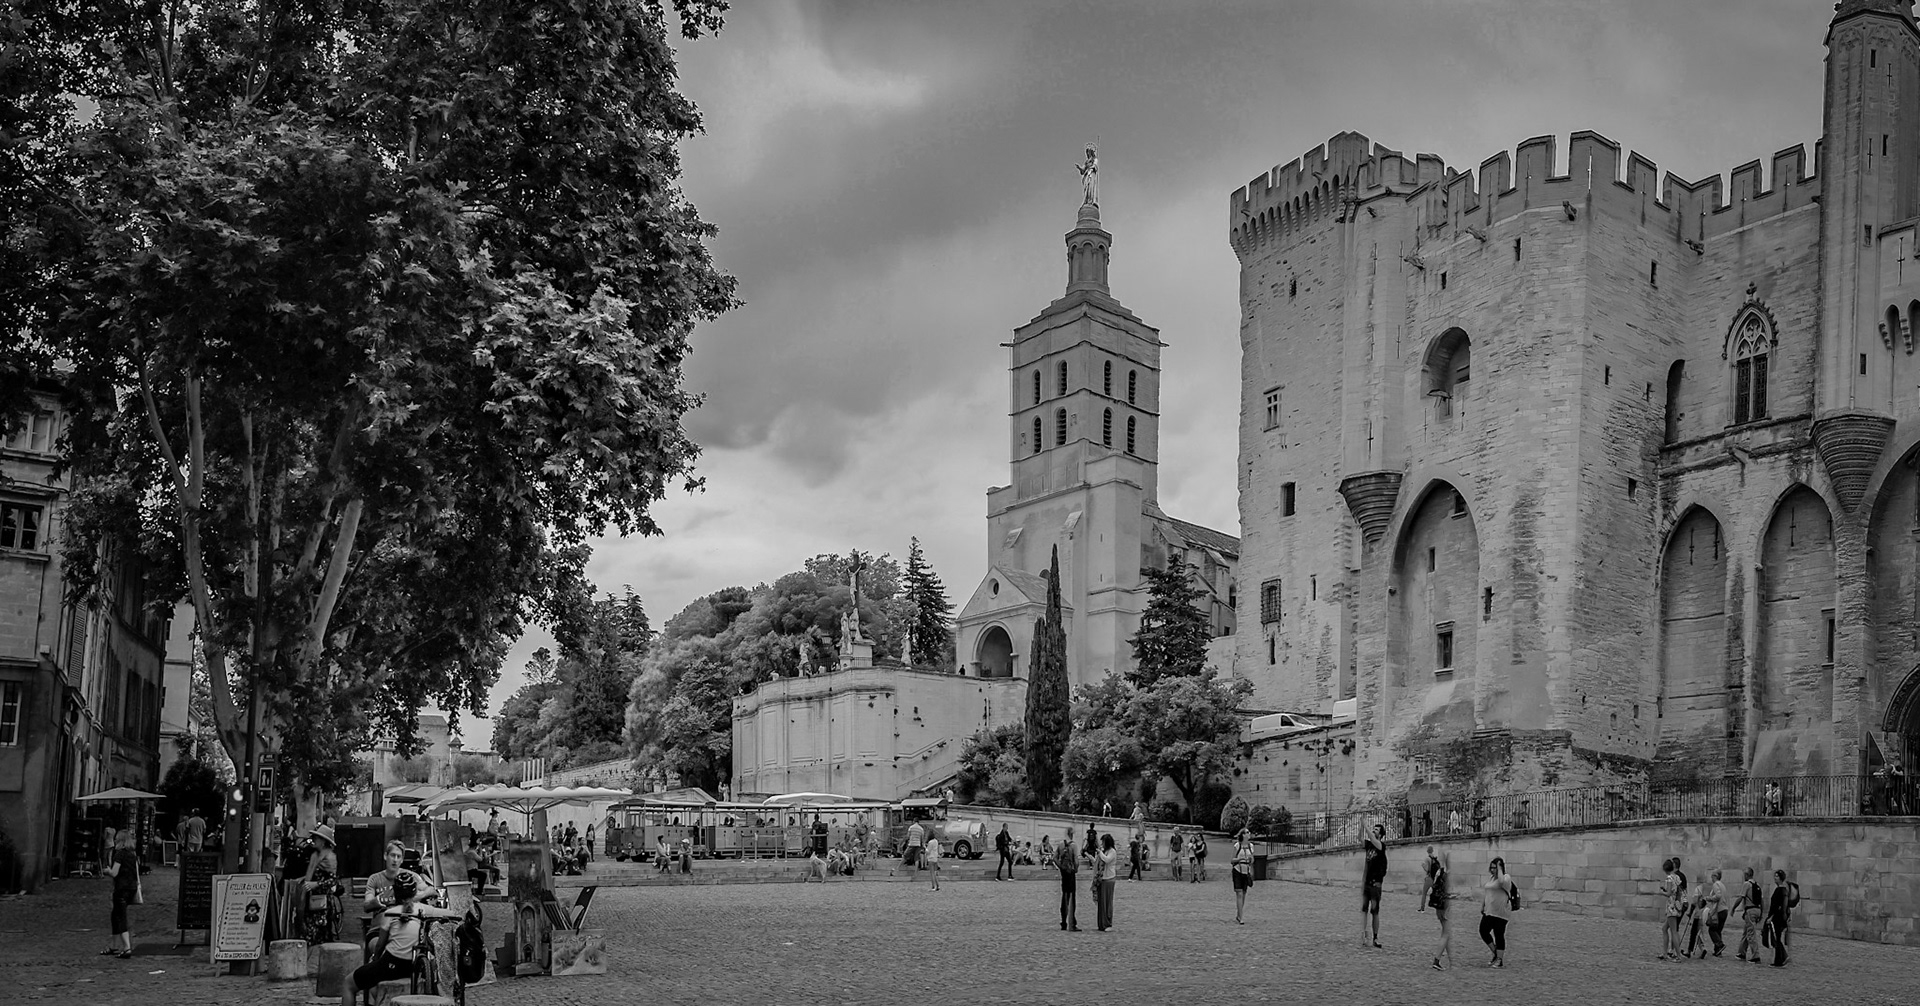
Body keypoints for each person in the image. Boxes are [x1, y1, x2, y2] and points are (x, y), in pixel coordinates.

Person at [352, 871, 464, 995]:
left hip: (391, 963)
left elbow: (380, 945)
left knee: (349, 984)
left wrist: (375, 958)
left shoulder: (390, 913)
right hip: (413, 965)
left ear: (395, 893)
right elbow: (451, 914)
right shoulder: (423, 909)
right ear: (414, 892)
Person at [100, 829, 139, 959]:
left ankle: (127, 947)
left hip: (121, 888)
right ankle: (114, 946)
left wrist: (106, 871)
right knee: (115, 915)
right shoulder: (132, 855)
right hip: (131, 887)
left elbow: (114, 872)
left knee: (120, 917)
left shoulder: (120, 854)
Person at [302, 824, 343, 944]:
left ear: (323, 841)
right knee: (310, 933)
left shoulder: (330, 858)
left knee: (317, 934)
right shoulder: (315, 855)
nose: (314, 840)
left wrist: (316, 884)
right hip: (311, 899)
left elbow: (332, 880)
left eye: (317, 838)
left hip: (322, 902)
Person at [1417, 846, 1451, 970]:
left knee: (1445, 931)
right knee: (1446, 933)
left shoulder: (1439, 871)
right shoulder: (1448, 873)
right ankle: (1437, 959)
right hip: (1445, 905)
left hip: (1438, 904)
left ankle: (1441, 956)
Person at [1480, 856, 1515, 967]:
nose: (1492, 870)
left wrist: (1500, 868)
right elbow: (1487, 893)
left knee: (1498, 934)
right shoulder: (1491, 879)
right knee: (1483, 931)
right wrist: (1483, 905)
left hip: (1501, 912)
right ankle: (1496, 952)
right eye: (1491, 867)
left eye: (1495, 868)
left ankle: (1499, 959)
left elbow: (1501, 882)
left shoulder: (1505, 878)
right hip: (1489, 911)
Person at [1360, 823, 1387, 948]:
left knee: (1375, 912)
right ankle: (1365, 935)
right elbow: (1360, 839)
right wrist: (1361, 826)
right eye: (1374, 829)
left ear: (1380, 834)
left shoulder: (1381, 846)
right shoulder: (1370, 845)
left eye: (1376, 830)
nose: (1374, 831)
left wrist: (1365, 826)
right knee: (1364, 910)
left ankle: (1375, 937)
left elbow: (1371, 838)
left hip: (1375, 885)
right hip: (1367, 883)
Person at [1733, 866, 1765, 962]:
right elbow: (1762, 901)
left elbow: (1741, 898)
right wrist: (1761, 913)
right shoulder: (1757, 885)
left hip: (1750, 910)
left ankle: (1756, 956)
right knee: (1746, 932)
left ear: (1747, 875)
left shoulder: (1747, 884)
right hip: (1757, 910)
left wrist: (1733, 908)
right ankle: (1741, 953)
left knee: (1751, 934)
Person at [1767, 869, 1796, 967]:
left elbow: (1776, 906)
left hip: (1777, 918)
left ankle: (1780, 959)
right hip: (1781, 917)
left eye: (1776, 876)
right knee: (1777, 938)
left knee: (1776, 938)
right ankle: (1781, 958)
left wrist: (1771, 917)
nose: (1775, 878)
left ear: (1780, 878)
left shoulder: (1780, 890)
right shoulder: (1784, 890)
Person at [1056, 828, 1081, 931]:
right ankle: (1072, 922)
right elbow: (1076, 860)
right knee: (1072, 897)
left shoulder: (1061, 844)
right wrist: (1075, 869)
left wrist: (1061, 867)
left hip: (1064, 872)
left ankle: (1063, 921)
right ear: (1072, 834)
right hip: (1070, 872)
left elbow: (1054, 858)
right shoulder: (1073, 845)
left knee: (1064, 895)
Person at [1658, 858, 1683, 961]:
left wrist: (1662, 892)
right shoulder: (1676, 877)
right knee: (1665, 929)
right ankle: (1664, 953)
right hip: (1675, 905)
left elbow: (1668, 893)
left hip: (1671, 907)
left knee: (1674, 931)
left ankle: (1678, 956)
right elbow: (1677, 890)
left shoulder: (1669, 878)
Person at [1093, 834, 1119, 931]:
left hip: (1109, 878)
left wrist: (1100, 852)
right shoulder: (1105, 851)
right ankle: (1101, 923)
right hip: (1102, 878)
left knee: (1107, 902)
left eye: (1103, 842)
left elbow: (1106, 860)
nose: (1102, 844)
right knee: (1101, 902)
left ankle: (1108, 923)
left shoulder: (1112, 851)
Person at [1230, 831, 1255, 924]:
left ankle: (1239, 914)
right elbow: (1232, 860)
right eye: (1247, 832)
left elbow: (1252, 860)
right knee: (1239, 894)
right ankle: (1241, 917)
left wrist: (1251, 860)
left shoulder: (1251, 846)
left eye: (1249, 832)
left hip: (1246, 871)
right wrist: (1240, 859)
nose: (1249, 834)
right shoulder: (1237, 845)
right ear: (1243, 835)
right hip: (1238, 870)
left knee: (1244, 894)